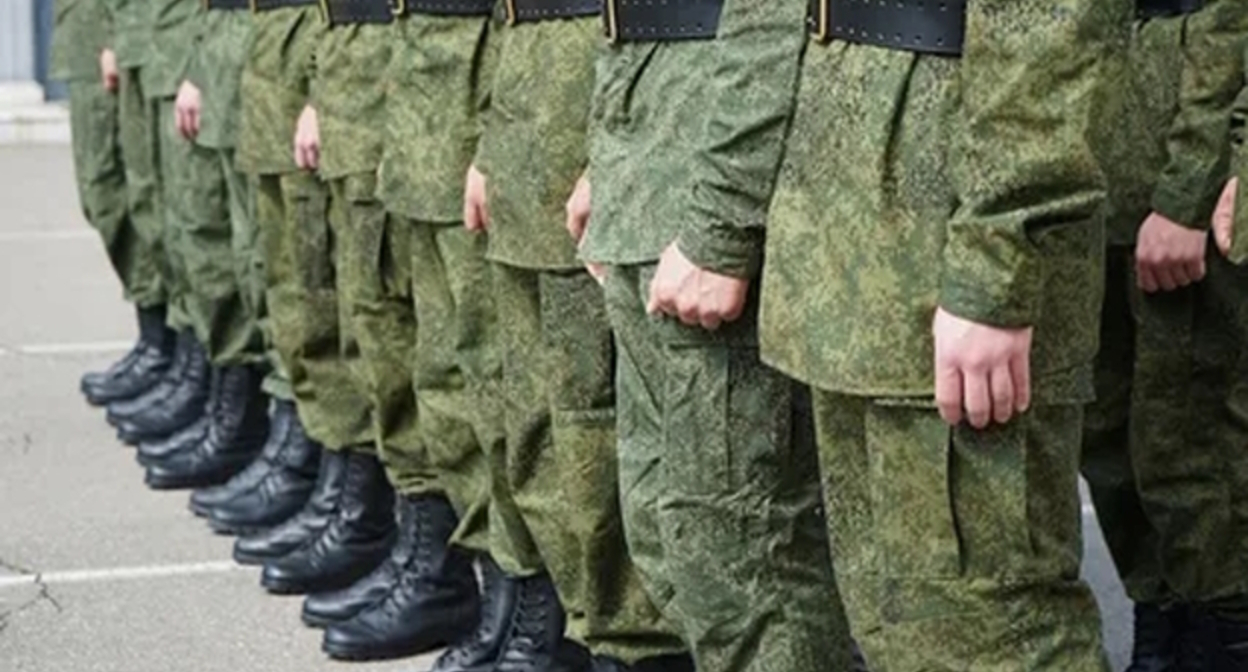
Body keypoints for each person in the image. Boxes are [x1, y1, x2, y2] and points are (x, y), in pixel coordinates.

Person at [672, 0, 1128, 668]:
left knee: (986, 626)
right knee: (899, 624)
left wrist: (995, 267)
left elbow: (1050, 26)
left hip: (946, 214)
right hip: (851, 215)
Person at [576, 1, 856, 670]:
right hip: (654, 146)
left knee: (744, 553)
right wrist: (605, 159)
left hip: (715, 163)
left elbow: (771, 16)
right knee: (670, 534)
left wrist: (723, 223)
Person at [457, 1, 692, 670]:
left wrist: (603, 156)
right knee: (531, 406)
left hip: (605, 90)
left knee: (595, 419)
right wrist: (492, 144)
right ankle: (570, 615)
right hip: (539, 90)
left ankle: (630, 640)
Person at [285, 0, 479, 660]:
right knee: (383, 332)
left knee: (447, 358)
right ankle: (419, 550)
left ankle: (454, 574)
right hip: (390, 76)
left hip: (448, 75)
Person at [229, 0, 396, 592]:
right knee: (310, 296)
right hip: (331, 49)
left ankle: (365, 509)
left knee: (357, 312)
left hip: (364, 56)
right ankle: (337, 483)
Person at [58, 0, 173, 410]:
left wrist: (114, 37)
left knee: (134, 193)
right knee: (103, 192)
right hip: (87, 29)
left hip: (120, 29)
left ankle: (167, 345)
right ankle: (156, 337)